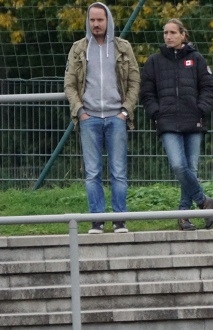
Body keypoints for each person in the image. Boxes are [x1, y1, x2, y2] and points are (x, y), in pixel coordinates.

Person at [63, 2, 140, 235]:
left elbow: (135, 81)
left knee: (118, 172)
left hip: (117, 117)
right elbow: (69, 84)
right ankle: (97, 220)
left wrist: (125, 111)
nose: (96, 24)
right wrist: (80, 112)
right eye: (92, 20)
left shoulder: (123, 47)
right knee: (92, 173)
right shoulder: (78, 48)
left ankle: (119, 220)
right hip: (89, 118)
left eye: (100, 20)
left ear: (108, 21)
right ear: (88, 21)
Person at [141, 18, 213, 231]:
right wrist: (156, 113)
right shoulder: (154, 61)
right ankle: (203, 201)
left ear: (183, 35)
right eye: (166, 32)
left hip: (193, 120)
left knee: (190, 168)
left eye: (173, 32)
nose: (168, 36)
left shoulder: (197, 59)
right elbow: (147, 92)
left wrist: (201, 109)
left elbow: (208, 87)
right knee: (178, 165)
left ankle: (184, 215)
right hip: (167, 122)